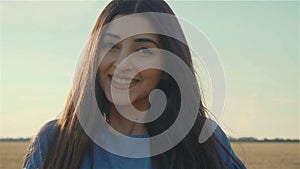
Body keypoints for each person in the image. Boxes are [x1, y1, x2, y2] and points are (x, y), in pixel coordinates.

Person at [23, 0, 246, 169]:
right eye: (111, 45)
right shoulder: (54, 141)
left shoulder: (204, 141)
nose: (122, 63)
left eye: (142, 50)